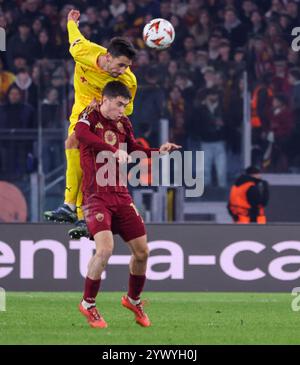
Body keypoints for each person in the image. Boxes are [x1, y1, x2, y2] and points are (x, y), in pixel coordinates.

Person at [75, 81, 180, 328]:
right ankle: (88, 303)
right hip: (95, 195)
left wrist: (158, 151)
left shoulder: (124, 123)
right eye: (120, 104)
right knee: (105, 249)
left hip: (120, 194)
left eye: (126, 105)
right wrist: (112, 150)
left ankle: (133, 300)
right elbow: (81, 135)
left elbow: (133, 150)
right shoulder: (89, 115)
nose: (123, 109)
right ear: (106, 100)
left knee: (143, 252)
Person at [44, 9, 137, 240]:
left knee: (88, 157)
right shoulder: (83, 52)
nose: (123, 70)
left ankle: (80, 212)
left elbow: (130, 108)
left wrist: (106, 106)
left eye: (127, 66)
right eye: (121, 64)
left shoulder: (128, 80)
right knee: (72, 143)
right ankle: (71, 208)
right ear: (107, 56)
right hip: (81, 113)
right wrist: (71, 21)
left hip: (106, 119)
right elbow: (73, 35)